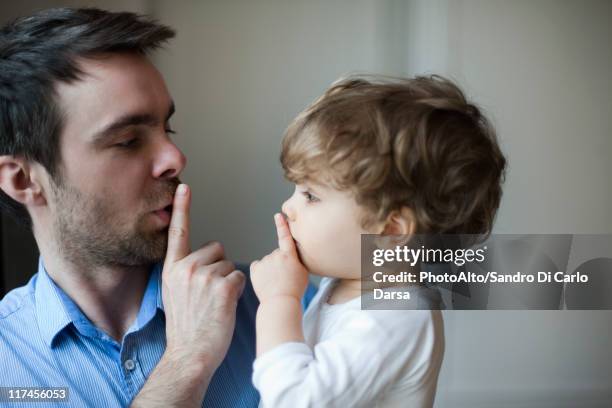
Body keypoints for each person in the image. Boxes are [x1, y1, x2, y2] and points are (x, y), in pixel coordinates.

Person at [0, 8, 260, 407]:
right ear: (23, 180)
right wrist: (186, 360)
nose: (174, 157)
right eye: (127, 141)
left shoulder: (265, 296)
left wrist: (383, 199)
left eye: (166, 129)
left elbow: (391, 286)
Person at [250, 75, 506, 407]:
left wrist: (278, 300)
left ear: (390, 231)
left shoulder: (396, 318)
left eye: (310, 195)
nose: (288, 207)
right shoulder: (347, 285)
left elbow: (294, 400)